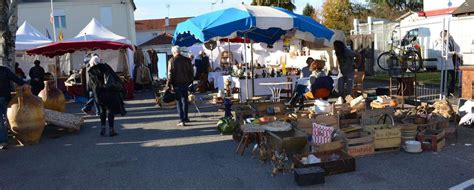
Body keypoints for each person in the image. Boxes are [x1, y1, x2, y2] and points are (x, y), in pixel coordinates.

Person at [88, 55, 126, 137]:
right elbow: (115, 77)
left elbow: (89, 85)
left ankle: (103, 129)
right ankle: (111, 130)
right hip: (109, 92)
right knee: (110, 111)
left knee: (102, 111)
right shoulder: (105, 66)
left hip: (99, 94)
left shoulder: (91, 71)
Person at [167, 46, 194, 126]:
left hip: (176, 83)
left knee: (179, 101)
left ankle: (181, 120)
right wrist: (190, 81)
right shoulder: (187, 60)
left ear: (174, 52)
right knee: (185, 100)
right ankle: (186, 117)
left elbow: (170, 74)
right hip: (186, 83)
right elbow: (191, 72)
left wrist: (168, 85)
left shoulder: (172, 60)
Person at [0, 66, 25, 149]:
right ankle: (4, 140)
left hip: (3, 97)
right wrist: (24, 84)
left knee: (2, 119)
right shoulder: (4, 70)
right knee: (5, 118)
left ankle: (3, 139)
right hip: (4, 97)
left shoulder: (4, 70)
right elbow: (15, 79)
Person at [435, 30, 460, 97]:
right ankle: (443, 93)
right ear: (443, 36)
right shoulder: (439, 43)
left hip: (450, 64)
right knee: (444, 79)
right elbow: (442, 54)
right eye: (447, 35)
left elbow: (457, 48)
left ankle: (450, 92)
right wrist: (453, 53)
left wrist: (453, 41)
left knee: (453, 78)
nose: (449, 35)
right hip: (444, 64)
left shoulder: (450, 42)